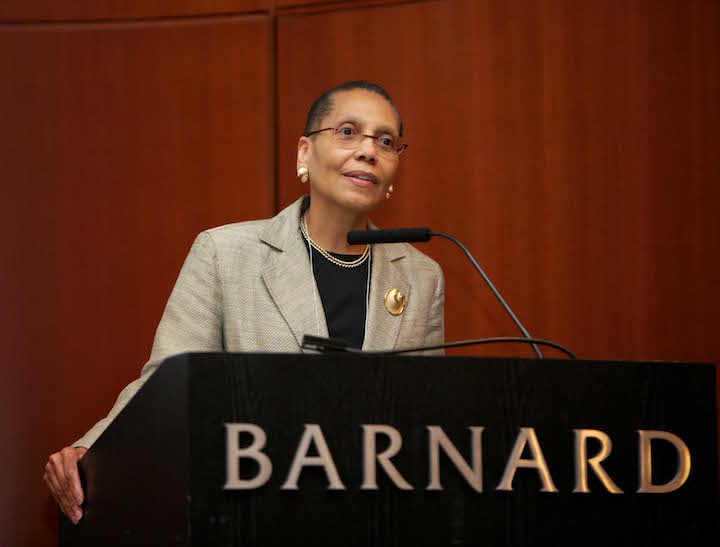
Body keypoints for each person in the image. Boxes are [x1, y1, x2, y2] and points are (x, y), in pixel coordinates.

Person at [43, 80, 445, 524]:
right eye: (348, 132)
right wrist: (91, 448)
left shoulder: (420, 277)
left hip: (375, 515)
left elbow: (428, 415)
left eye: (385, 141)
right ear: (304, 154)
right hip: (254, 511)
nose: (368, 150)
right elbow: (167, 380)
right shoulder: (225, 254)